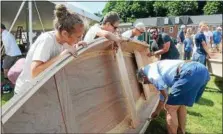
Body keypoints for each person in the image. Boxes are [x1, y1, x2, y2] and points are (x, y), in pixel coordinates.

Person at [14, 4, 87, 94]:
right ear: (65, 34)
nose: (80, 39)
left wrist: (76, 46)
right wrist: (61, 56)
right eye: (78, 37)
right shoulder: (47, 40)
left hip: (39, 90)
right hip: (24, 93)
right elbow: (35, 72)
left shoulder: (63, 41)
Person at [136, 60, 210, 134]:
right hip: (202, 70)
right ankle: (181, 131)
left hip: (190, 72)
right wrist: (157, 111)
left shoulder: (149, 72)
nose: (148, 83)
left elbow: (160, 85)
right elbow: (163, 91)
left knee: (170, 107)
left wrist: (167, 99)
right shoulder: (155, 67)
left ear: (144, 76)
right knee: (181, 104)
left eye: (146, 82)